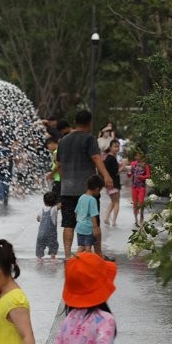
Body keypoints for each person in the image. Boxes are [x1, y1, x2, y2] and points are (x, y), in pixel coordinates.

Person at [56, 110, 112, 258]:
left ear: (75, 122)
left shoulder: (63, 140)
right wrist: (106, 176)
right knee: (93, 221)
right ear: (89, 123)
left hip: (67, 189)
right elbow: (95, 157)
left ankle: (68, 255)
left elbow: (59, 164)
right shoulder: (89, 138)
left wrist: (65, 180)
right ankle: (98, 254)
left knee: (68, 223)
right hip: (88, 191)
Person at [75, 175, 103, 254]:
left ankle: (73, 260)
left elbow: (76, 212)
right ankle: (87, 264)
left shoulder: (81, 197)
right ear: (97, 189)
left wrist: (79, 222)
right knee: (88, 248)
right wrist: (95, 228)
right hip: (88, 228)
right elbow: (93, 215)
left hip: (79, 227)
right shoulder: (92, 200)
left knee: (82, 246)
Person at [101, 140, 124, 226]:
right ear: (110, 147)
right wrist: (124, 166)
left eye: (118, 146)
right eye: (115, 146)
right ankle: (114, 221)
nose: (117, 148)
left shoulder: (108, 158)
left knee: (113, 201)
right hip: (114, 183)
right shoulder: (111, 159)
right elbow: (116, 172)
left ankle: (106, 218)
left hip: (109, 184)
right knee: (116, 202)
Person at [35, 191, 60, 262]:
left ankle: (39, 258)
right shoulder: (54, 209)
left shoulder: (42, 209)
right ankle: (53, 258)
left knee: (40, 245)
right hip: (51, 234)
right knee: (53, 245)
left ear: (44, 201)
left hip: (41, 234)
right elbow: (60, 205)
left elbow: (38, 219)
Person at [128, 152, 150, 227]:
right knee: (135, 204)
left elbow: (148, 175)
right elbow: (130, 175)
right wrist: (129, 172)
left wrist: (141, 177)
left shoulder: (145, 165)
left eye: (139, 155)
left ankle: (141, 216)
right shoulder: (133, 164)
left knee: (141, 203)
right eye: (136, 155)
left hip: (141, 187)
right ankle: (136, 219)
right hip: (134, 187)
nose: (138, 156)